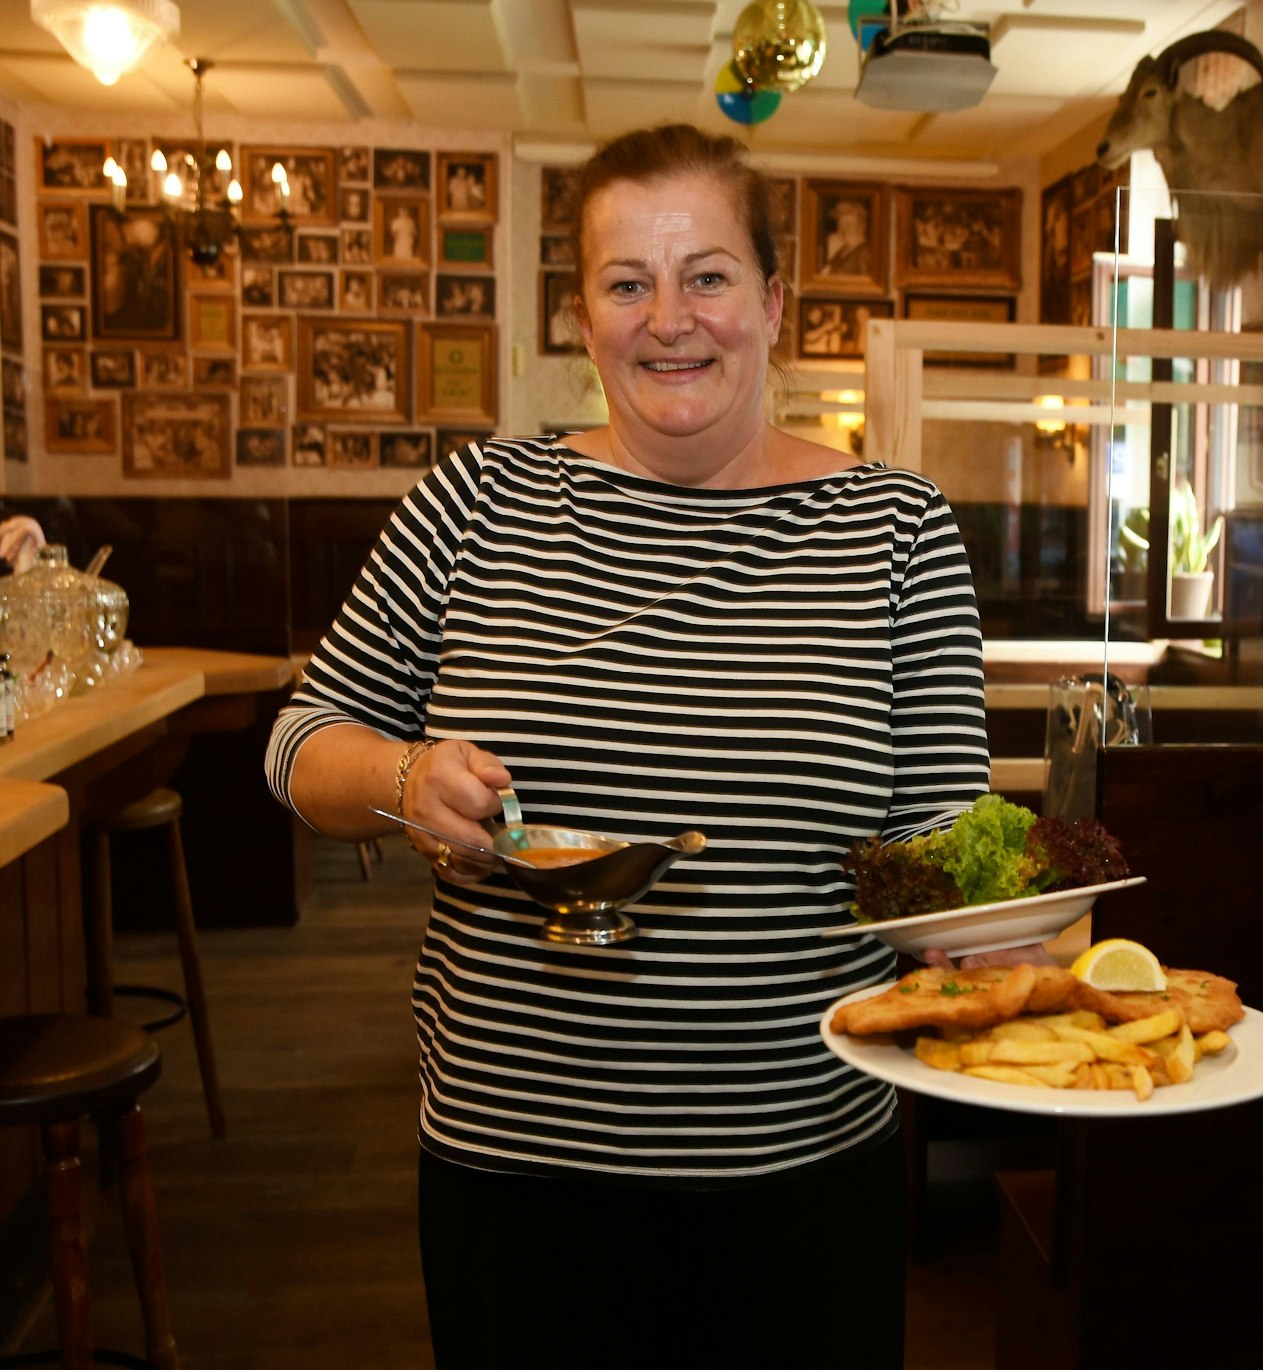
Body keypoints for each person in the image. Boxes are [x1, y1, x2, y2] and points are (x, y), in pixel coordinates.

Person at [263, 122, 987, 1369]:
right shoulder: (474, 502)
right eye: (625, 283)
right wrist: (402, 777)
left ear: (772, 302)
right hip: (517, 1173)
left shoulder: (896, 528)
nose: (669, 319)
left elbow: (938, 840)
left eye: (706, 275)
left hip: (803, 1170)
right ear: (582, 317)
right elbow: (298, 740)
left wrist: (999, 938)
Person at [821, 196, 870, 274]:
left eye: (848, 225)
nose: (844, 230)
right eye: (841, 225)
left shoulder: (864, 252)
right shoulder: (843, 250)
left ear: (861, 225)